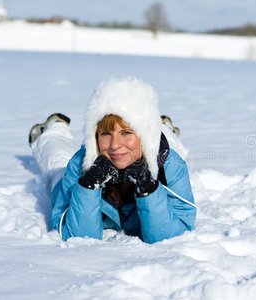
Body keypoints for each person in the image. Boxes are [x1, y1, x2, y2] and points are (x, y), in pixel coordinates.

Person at [29, 77, 196, 243]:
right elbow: (76, 237)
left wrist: (148, 188)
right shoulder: (79, 164)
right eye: (105, 134)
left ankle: (164, 127)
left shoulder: (171, 166)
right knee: (57, 160)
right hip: (90, 169)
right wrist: (88, 186)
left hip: (151, 151)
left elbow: (172, 236)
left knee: (165, 144)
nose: (114, 145)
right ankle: (53, 129)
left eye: (126, 133)